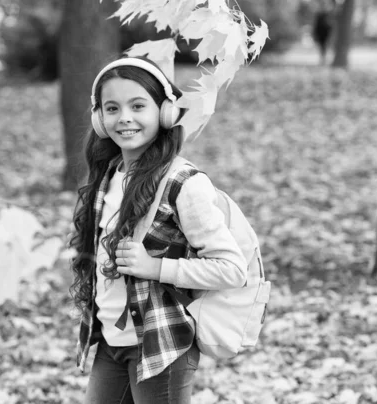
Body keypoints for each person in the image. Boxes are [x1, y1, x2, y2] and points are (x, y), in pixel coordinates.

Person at [69, 56, 248, 404]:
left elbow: (233, 269)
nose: (124, 117)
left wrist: (155, 267)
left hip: (160, 347)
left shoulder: (184, 184)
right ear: (99, 119)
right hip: (110, 342)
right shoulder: (109, 176)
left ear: (165, 113)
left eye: (138, 105)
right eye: (112, 108)